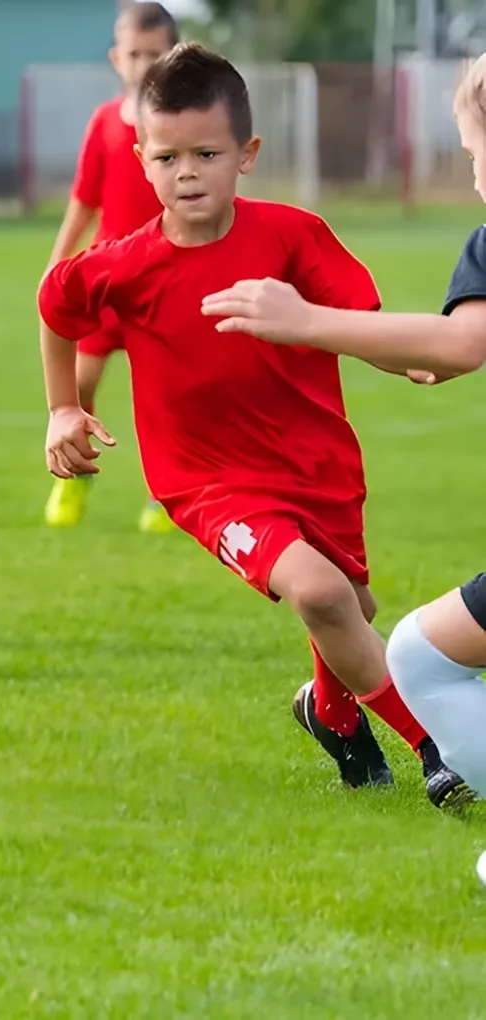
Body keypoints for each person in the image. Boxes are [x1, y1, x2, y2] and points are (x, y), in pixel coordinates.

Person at [37, 42, 470, 808]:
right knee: (322, 595)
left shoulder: (292, 236)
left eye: (207, 152)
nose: (188, 172)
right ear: (143, 161)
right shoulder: (125, 265)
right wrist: (63, 407)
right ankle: (438, 748)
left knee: (351, 609)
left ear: (248, 154)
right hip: (207, 481)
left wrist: (403, 361)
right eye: (167, 157)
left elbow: (352, 320)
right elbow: (56, 304)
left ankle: (331, 712)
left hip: (316, 462)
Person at [200, 53, 486, 797]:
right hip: (232, 476)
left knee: (420, 656)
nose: (474, 173)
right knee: (347, 604)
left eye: (471, 152)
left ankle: (427, 752)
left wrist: (303, 321)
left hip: (303, 462)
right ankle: (343, 715)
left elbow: (459, 347)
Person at [43, 1, 177, 534]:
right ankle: (74, 476)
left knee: (166, 392)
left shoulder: (178, 127)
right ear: (116, 57)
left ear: (173, 55)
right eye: (134, 54)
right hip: (106, 279)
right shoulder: (103, 122)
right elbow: (83, 199)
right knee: (79, 378)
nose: (144, 64)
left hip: (165, 279)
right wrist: (59, 259)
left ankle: (167, 493)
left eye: (155, 54)